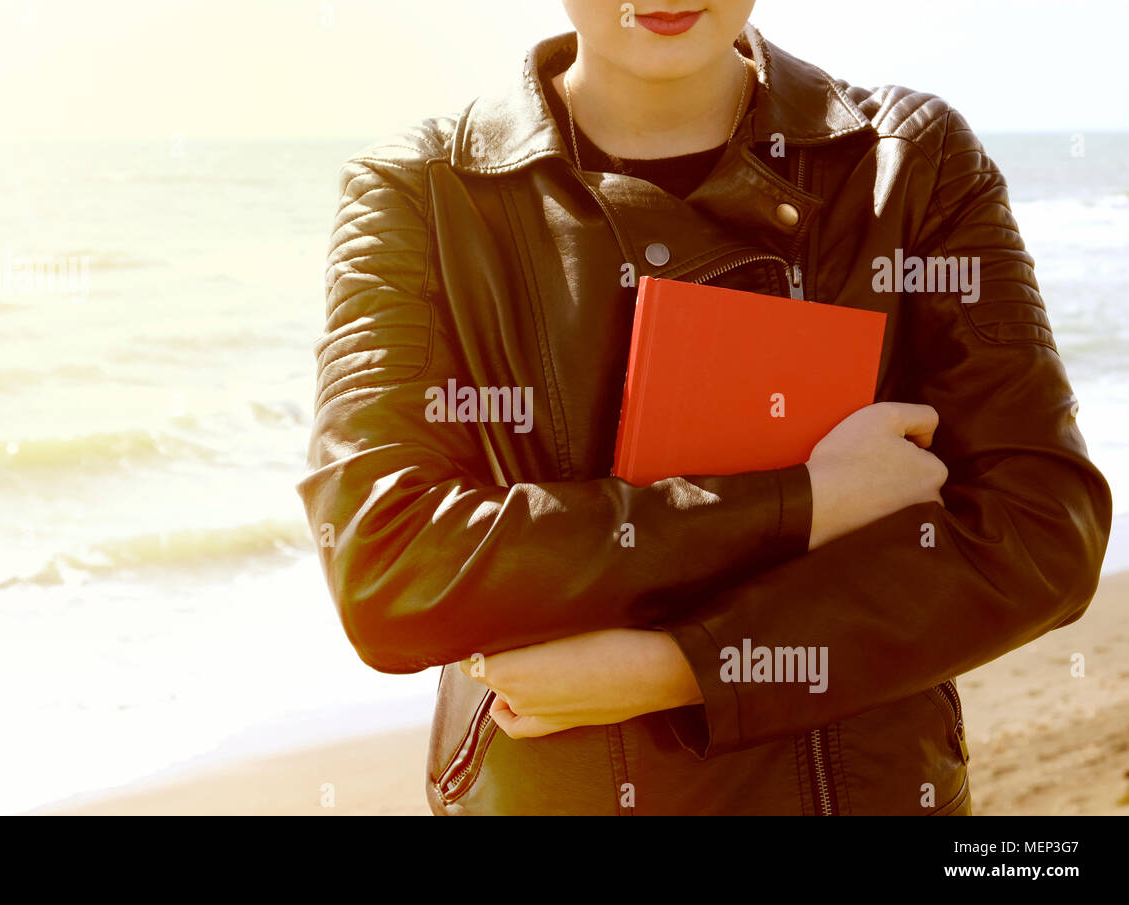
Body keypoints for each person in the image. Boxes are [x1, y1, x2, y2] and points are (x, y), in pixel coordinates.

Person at [298, 0, 1113, 815]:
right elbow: (388, 568)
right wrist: (803, 501)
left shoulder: (908, 159)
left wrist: (682, 668)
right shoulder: (422, 192)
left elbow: (1041, 525)